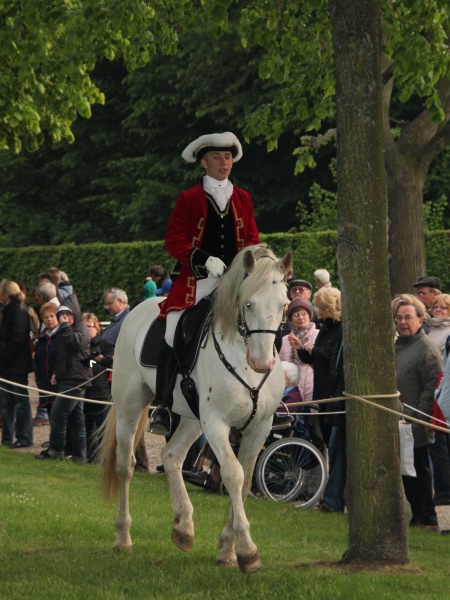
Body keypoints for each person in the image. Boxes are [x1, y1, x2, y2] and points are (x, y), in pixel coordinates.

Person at [149, 131, 260, 436]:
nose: (224, 163)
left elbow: (251, 239)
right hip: (196, 283)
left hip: (233, 284)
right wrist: (201, 258)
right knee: (173, 330)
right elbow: (174, 240)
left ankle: (263, 398)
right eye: (216, 157)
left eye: (227, 157)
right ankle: (162, 405)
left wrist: (244, 263)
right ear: (203, 162)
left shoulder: (243, 198)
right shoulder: (189, 198)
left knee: (261, 322)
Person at [393, 294, 441, 530]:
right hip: (399, 422)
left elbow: (432, 387)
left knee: (419, 472)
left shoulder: (426, 348)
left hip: (416, 422)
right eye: (399, 318)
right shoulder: (397, 346)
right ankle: (417, 515)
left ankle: (428, 517)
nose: (403, 322)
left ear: (421, 319)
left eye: (408, 317)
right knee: (406, 473)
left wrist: (419, 419)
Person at [35, 300, 91, 462]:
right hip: (67, 376)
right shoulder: (64, 331)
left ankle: (56, 450)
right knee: (77, 418)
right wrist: (57, 373)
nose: (64, 318)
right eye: (62, 315)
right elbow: (61, 354)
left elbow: (76, 344)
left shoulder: (81, 328)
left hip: (77, 378)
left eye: (68, 314)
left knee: (58, 413)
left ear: (75, 314)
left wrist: (65, 327)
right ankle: (80, 456)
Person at [101, 287, 149, 472]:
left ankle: (140, 463)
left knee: (131, 418)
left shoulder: (127, 320)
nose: (107, 307)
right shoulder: (117, 320)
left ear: (121, 301)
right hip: (111, 371)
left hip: (124, 371)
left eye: (109, 303)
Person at [295, 287, 342, 448]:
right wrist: (300, 349)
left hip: (332, 390)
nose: (319, 312)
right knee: (324, 435)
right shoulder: (325, 327)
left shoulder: (340, 329)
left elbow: (332, 357)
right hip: (321, 388)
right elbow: (315, 358)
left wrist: (313, 349)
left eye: (322, 308)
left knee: (331, 437)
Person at [0, 280, 34, 448]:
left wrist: (3, 355)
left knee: (20, 402)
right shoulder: (9, 310)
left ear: (5, 294)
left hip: (16, 364)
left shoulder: (18, 312)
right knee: (6, 402)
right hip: (7, 364)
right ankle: (6, 438)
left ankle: (24, 437)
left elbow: (17, 339)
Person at [81, 312, 115, 463]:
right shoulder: (81, 345)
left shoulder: (105, 344)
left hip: (102, 391)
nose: (86, 329)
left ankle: (105, 459)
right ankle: (90, 458)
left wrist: (98, 360)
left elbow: (113, 363)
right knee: (87, 427)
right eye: (83, 326)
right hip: (86, 391)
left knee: (102, 428)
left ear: (96, 327)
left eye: (89, 326)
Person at [278, 298, 319, 404]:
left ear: (310, 316)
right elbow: (280, 366)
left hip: (315, 386)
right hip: (291, 392)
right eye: (296, 315)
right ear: (291, 319)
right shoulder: (285, 340)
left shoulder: (318, 335)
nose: (300, 317)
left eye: (303, 313)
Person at [33, 302, 60, 426]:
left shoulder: (62, 335)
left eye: (52, 316)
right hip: (45, 382)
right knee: (50, 414)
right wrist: (38, 379)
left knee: (59, 415)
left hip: (59, 382)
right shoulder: (42, 338)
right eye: (46, 317)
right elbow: (38, 360)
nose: (49, 320)